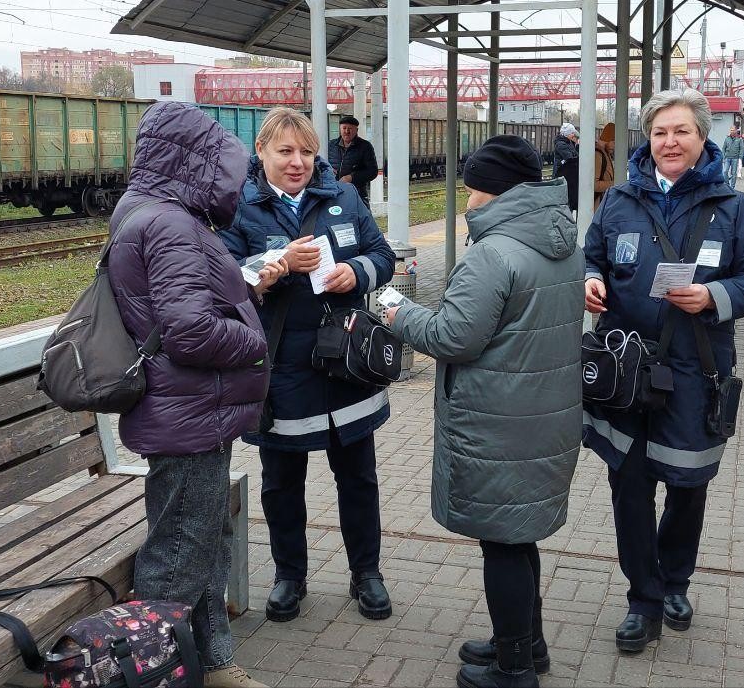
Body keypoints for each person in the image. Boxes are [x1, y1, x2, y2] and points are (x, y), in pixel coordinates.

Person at [385, 134, 583, 688]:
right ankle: (525, 643)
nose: (466, 200)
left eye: (471, 188)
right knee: (518, 538)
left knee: (502, 544)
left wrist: (394, 310)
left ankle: (514, 670)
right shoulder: (562, 241)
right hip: (541, 418)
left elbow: (452, 337)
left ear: (493, 192)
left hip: (498, 424)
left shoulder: (493, 254)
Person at [109, 102, 289, 688]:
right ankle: (153, 671)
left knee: (202, 542)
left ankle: (211, 662)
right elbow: (189, 331)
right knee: (179, 555)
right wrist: (253, 340)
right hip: (185, 417)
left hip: (188, 413)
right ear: (197, 164)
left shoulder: (149, 212)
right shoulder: (170, 224)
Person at [583, 88, 744, 655]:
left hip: (695, 372)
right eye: (659, 132)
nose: (669, 142)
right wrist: (590, 280)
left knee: (687, 483)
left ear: (704, 138)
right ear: (646, 140)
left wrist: (715, 295)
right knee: (629, 486)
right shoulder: (620, 199)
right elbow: (592, 253)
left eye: (681, 131)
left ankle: (675, 581)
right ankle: (643, 598)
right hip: (625, 367)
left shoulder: (731, 205)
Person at [220, 107, 396, 624]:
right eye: (285, 152)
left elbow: (381, 254)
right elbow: (225, 277)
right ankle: (289, 577)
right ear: (262, 153)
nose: (298, 163)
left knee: (358, 476)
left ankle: (367, 573)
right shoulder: (240, 209)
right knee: (281, 480)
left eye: (307, 152)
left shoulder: (342, 196)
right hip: (282, 368)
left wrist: (355, 272)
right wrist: (269, 271)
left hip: (344, 361)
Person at [327, 115, 379, 207]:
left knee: (361, 219)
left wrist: (352, 177)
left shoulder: (365, 146)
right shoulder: (330, 145)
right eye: (344, 128)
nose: (347, 131)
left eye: (350, 129)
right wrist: (328, 170)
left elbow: (372, 171)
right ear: (340, 129)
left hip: (357, 194)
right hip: (333, 193)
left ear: (356, 130)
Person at [554, 122, 581, 214]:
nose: (574, 135)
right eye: (572, 133)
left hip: (569, 176)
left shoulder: (568, 143)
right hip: (564, 176)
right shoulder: (561, 144)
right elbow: (571, 158)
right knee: (566, 200)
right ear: (567, 134)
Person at [595, 122, 616, 207]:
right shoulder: (597, 155)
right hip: (598, 205)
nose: (615, 146)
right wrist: (615, 183)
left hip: (603, 202)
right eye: (614, 142)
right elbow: (594, 185)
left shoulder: (604, 153)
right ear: (608, 139)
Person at [721, 125, 743, 190]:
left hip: (735, 159)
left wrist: (740, 158)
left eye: (733, 130)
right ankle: (727, 184)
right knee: (725, 171)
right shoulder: (727, 138)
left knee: (733, 173)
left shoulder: (739, 139)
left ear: (736, 130)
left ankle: (732, 187)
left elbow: (741, 149)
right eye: (731, 130)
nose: (732, 131)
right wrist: (724, 156)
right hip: (727, 158)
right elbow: (723, 148)